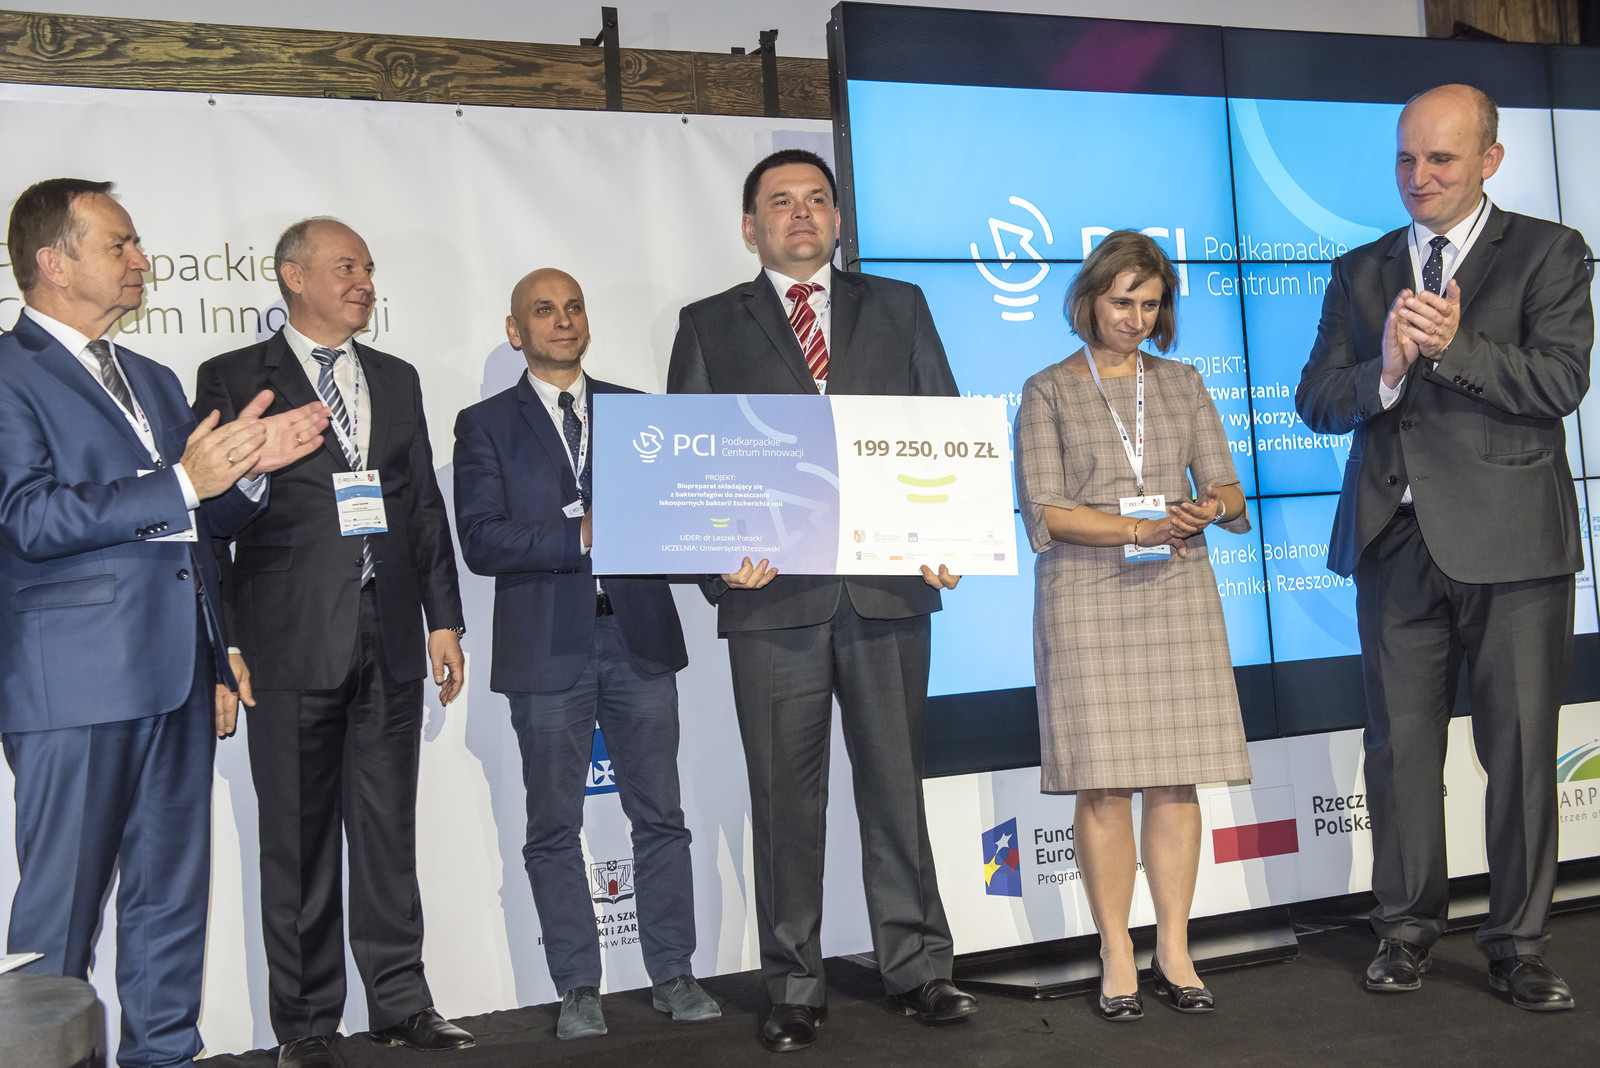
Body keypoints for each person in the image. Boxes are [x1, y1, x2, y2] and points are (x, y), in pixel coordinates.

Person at [0, 178, 327, 1067]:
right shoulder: (8, 373)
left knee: (170, 902)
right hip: (74, 685)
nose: (142, 260)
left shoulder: (149, 376)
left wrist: (246, 471)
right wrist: (185, 480)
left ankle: (164, 1056)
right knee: (59, 917)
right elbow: (27, 519)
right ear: (53, 262)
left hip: (180, 670)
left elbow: (197, 523)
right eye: (120, 245)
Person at [667, 148, 974, 1053]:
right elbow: (692, 458)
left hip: (887, 592)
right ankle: (794, 985)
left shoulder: (901, 306)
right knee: (784, 806)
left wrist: (951, 534)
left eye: (816, 199)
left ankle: (919, 969)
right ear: (750, 226)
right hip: (772, 605)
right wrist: (719, 563)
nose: (801, 214)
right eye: (781, 202)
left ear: (838, 220)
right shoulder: (708, 323)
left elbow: (941, 423)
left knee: (896, 792)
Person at [1296, 84, 1592, 1012]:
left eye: (1440, 159)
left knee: (1520, 753)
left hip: (1514, 547)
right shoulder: (1361, 269)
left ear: (1490, 161)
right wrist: (1384, 373)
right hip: (1393, 543)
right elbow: (1316, 400)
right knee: (1399, 753)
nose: (1417, 177)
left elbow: (1561, 383)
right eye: (1405, 159)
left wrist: (1456, 346)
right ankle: (1405, 930)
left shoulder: (1550, 251)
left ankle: (1518, 945)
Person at [193, 217, 473, 1067]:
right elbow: (207, 521)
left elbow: (421, 503)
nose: (363, 281)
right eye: (345, 266)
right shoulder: (234, 376)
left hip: (389, 633)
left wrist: (444, 617)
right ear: (293, 276)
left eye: (368, 268)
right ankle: (307, 1024)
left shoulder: (396, 376)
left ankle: (401, 1002)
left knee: (388, 831)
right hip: (286, 639)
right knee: (299, 839)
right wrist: (223, 643)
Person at [452, 268, 720, 1039]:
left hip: (638, 638)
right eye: (544, 310)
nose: (562, 320)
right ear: (516, 331)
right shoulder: (485, 425)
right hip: (545, 650)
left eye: (573, 307)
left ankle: (673, 971)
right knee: (552, 827)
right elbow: (482, 540)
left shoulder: (637, 413)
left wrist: (725, 564)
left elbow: (678, 519)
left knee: (661, 818)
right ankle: (577, 986)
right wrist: (581, 534)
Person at [1014, 230, 1251, 1022]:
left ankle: (1174, 948)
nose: (1135, 318)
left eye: (1150, 305)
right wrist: (1137, 529)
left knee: (1176, 777)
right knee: (1105, 780)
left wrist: (1204, 507)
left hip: (1177, 589)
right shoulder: (1048, 389)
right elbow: (1046, 511)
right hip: (1086, 595)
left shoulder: (1182, 383)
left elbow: (1230, 492)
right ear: (1090, 299)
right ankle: (1116, 948)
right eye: (1122, 302)